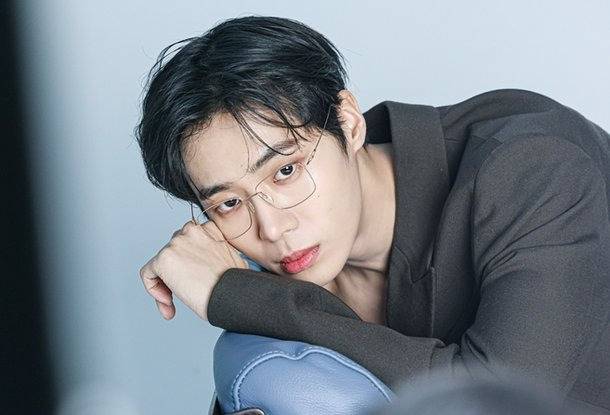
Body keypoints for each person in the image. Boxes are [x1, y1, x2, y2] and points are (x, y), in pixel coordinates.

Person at [136, 15, 610, 413]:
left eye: (286, 171)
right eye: (229, 203)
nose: (274, 229)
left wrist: (236, 296)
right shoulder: (282, 256)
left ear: (347, 122)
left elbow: (500, 403)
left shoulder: (534, 167)